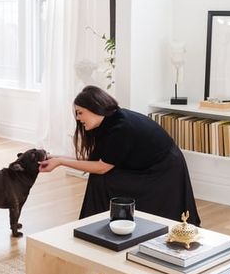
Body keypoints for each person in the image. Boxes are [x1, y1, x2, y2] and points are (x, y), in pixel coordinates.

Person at [38, 85, 201, 225]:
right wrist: (58, 158)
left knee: (101, 178)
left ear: (94, 108)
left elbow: (101, 167)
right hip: (145, 165)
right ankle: (98, 224)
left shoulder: (120, 128)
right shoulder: (107, 122)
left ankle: (96, 224)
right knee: (100, 178)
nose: (78, 118)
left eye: (80, 113)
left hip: (163, 169)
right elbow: (97, 161)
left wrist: (60, 162)